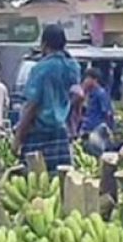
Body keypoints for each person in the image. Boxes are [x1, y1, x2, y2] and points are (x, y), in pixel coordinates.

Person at [15, 24, 79, 169]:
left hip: (39, 133)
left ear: (44, 44)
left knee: (36, 180)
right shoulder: (73, 67)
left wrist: (18, 136)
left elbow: (32, 105)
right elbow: (77, 95)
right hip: (61, 132)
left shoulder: (41, 69)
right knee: (60, 180)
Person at [80, 68, 115, 153]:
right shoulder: (90, 93)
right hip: (88, 128)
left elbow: (107, 113)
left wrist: (110, 129)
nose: (86, 81)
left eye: (88, 78)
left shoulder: (101, 93)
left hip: (97, 130)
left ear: (95, 80)